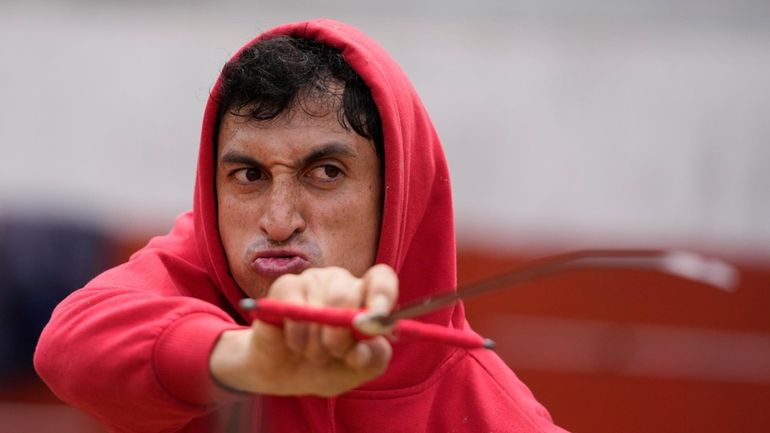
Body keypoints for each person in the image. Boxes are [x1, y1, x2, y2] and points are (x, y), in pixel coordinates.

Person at [35, 19, 569, 432]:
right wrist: (253, 361)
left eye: (326, 173)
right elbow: (66, 346)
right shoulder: (200, 268)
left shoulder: (493, 414)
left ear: (399, 196)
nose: (278, 219)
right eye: (249, 174)